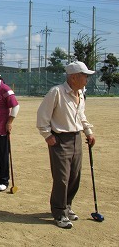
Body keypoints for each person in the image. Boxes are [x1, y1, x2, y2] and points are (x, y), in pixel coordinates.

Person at [36, 61, 96, 229]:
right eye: (85, 76)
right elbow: (42, 115)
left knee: (74, 176)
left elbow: (81, 116)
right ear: (73, 77)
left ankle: (67, 206)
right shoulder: (57, 92)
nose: (87, 79)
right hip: (60, 139)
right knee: (62, 178)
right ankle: (59, 212)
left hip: (76, 138)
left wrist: (88, 132)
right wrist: (47, 135)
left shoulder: (80, 93)